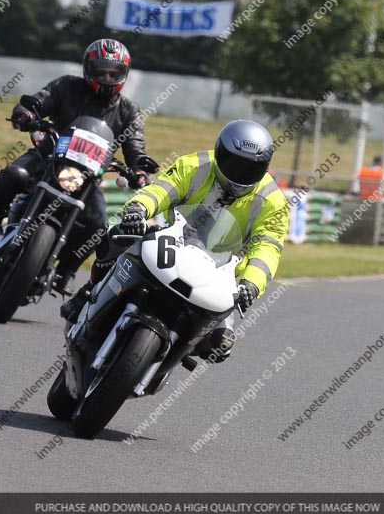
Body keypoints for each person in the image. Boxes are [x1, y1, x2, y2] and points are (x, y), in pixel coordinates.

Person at [61, 119, 289, 363]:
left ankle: (174, 355)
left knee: (221, 345)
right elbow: (161, 190)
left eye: (249, 169)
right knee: (117, 236)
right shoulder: (196, 165)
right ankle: (89, 292)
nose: (239, 175)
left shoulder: (273, 202)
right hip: (172, 241)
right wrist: (138, 209)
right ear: (220, 153)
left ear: (264, 167)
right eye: (234, 164)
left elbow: (267, 247)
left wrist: (251, 285)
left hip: (221, 274)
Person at [0, 38, 150, 294]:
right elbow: (38, 101)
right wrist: (26, 112)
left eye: (113, 72)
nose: (106, 77)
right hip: (48, 155)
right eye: (101, 70)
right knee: (14, 174)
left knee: (98, 222)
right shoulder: (67, 86)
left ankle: (65, 272)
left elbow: (136, 147)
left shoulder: (128, 112)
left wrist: (139, 169)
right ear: (88, 68)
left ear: (123, 75)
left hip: (87, 176)